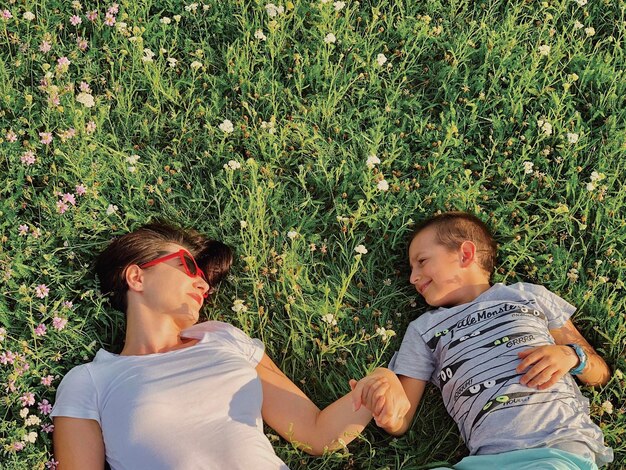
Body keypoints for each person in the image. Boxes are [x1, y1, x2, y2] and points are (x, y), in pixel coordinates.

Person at [50, 221, 409, 470]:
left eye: (205, 281)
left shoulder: (223, 339)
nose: (203, 286)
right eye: (189, 267)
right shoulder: (90, 381)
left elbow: (316, 433)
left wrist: (379, 383)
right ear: (136, 276)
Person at [363, 211, 613, 469]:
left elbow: (600, 373)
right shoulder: (424, 329)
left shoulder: (528, 296)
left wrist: (571, 356)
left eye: (422, 261)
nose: (413, 277)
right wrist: (389, 415)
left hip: (557, 449)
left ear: (465, 254)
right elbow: (403, 415)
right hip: (485, 460)